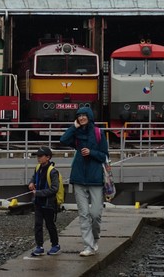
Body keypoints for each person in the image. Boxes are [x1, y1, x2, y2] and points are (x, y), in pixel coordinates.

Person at [59, 106, 108, 257]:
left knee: (96, 214)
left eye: (84, 115)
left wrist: (91, 152)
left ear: (90, 116)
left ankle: (95, 239)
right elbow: (63, 140)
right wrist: (73, 127)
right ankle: (88, 246)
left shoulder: (99, 133)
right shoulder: (76, 134)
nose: (81, 118)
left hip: (95, 178)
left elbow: (104, 156)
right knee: (84, 214)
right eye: (79, 116)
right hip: (78, 177)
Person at [28, 146, 61, 256]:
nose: (38, 158)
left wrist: (38, 193)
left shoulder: (53, 172)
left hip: (49, 203)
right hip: (38, 202)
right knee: (38, 225)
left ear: (48, 157)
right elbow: (34, 177)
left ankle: (55, 245)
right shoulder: (38, 168)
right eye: (37, 156)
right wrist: (31, 183)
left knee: (50, 225)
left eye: (40, 156)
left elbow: (54, 189)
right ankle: (39, 246)